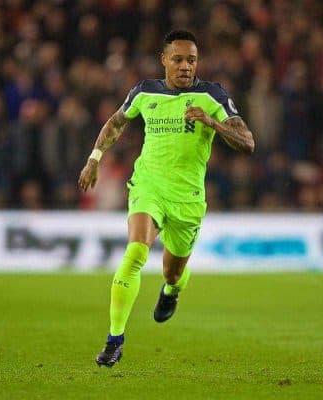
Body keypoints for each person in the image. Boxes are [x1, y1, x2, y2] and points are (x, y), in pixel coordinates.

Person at [78, 30, 255, 367]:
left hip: (187, 198)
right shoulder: (144, 92)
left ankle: (172, 290)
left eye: (191, 60)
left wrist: (211, 122)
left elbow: (248, 142)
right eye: (178, 59)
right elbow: (116, 123)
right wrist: (94, 159)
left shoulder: (212, 95)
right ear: (164, 60)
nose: (186, 66)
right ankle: (115, 338)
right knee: (135, 253)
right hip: (149, 186)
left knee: (172, 273)